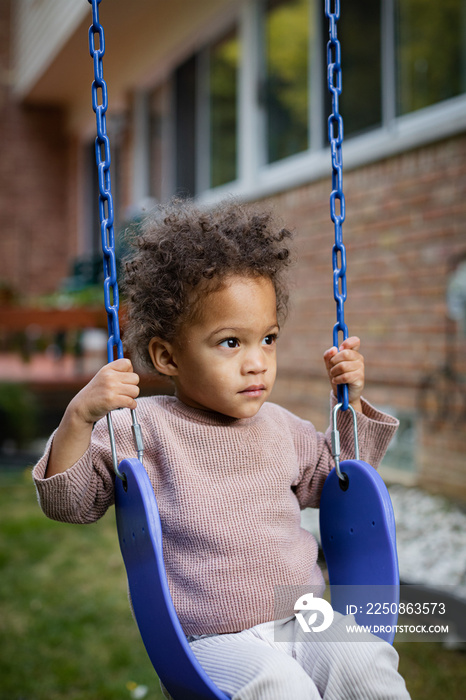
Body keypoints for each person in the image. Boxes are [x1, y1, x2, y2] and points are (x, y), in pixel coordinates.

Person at [33, 199, 410, 699]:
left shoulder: (282, 427)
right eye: (231, 342)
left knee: (368, 663)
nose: (257, 363)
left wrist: (351, 403)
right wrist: (80, 416)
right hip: (211, 641)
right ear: (168, 355)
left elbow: (340, 478)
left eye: (268, 339)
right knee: (281, 688)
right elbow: (70, 504)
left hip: (303, 617)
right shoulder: (143, 429)